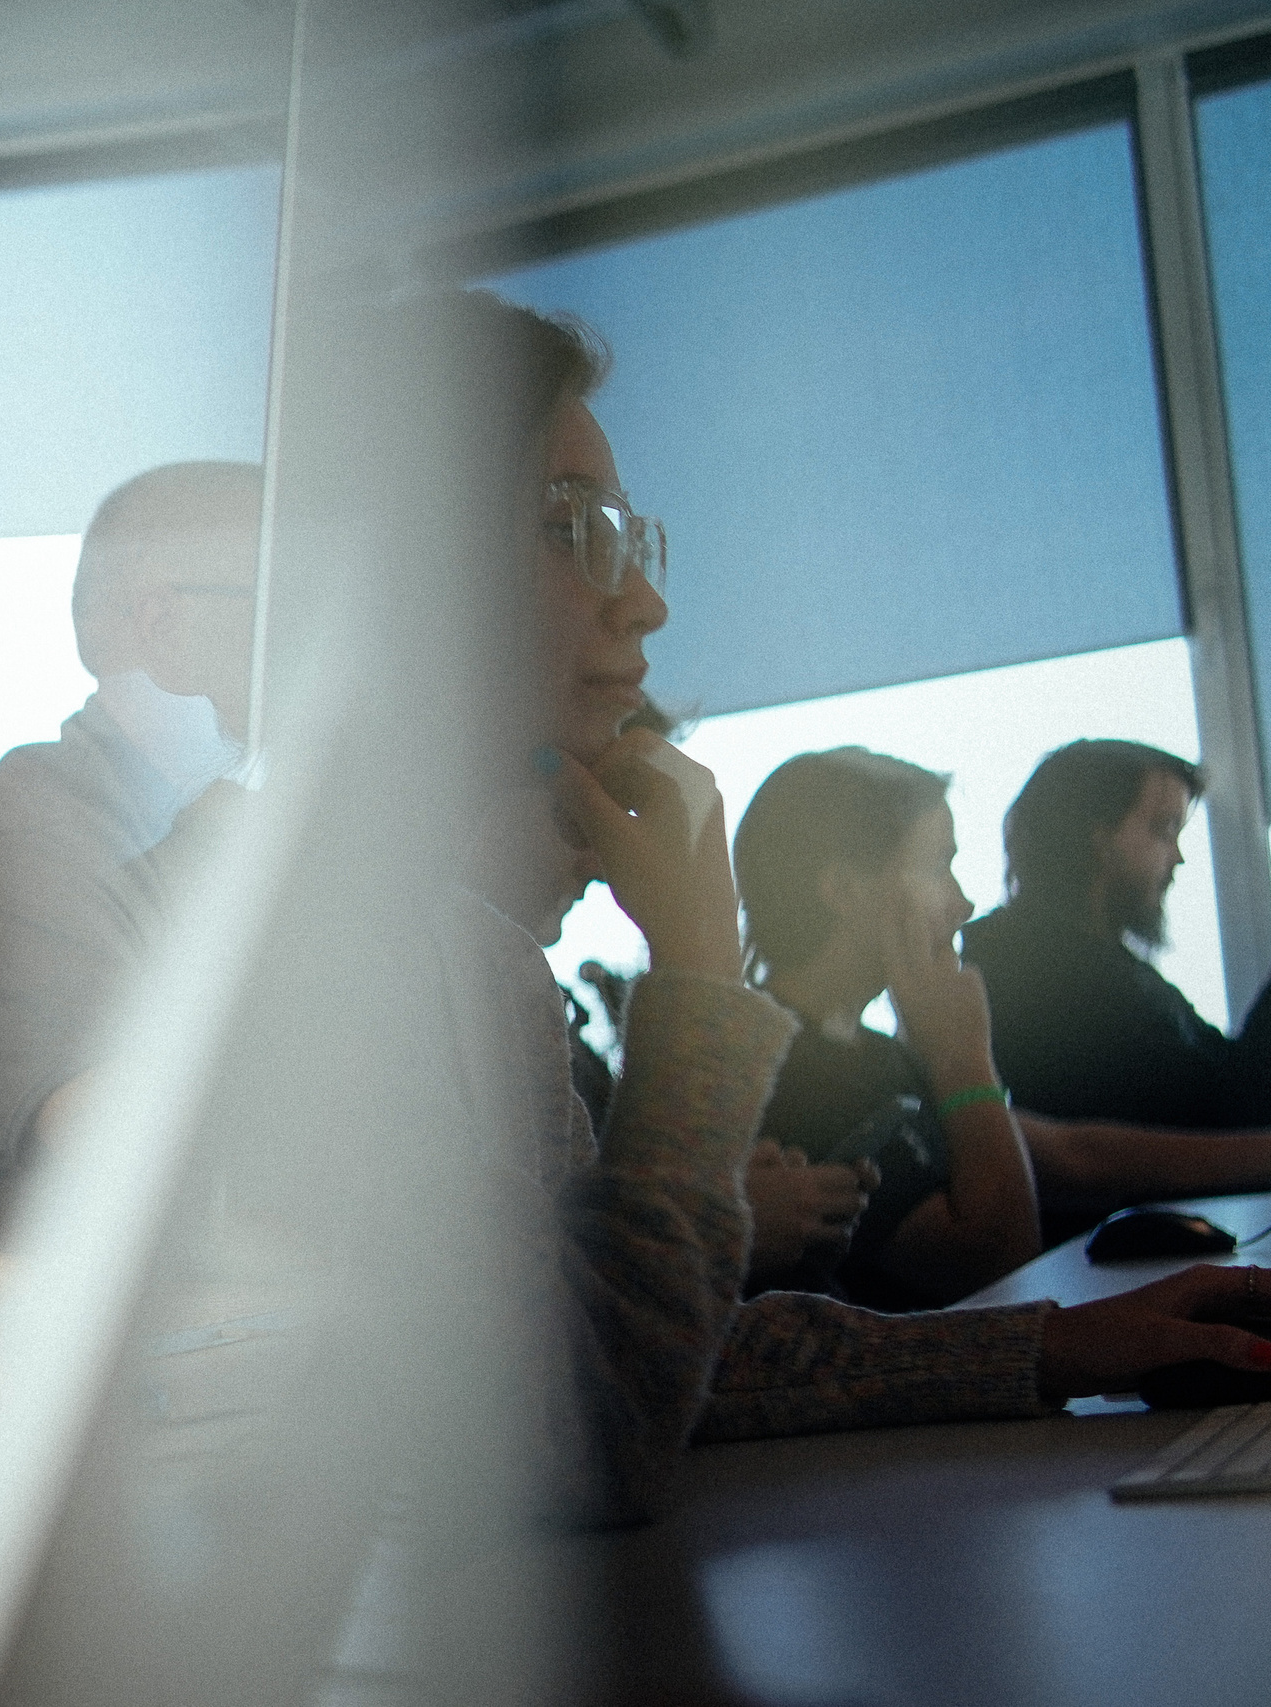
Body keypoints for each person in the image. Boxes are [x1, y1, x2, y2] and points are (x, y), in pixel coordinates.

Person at [425, 290, 1271, 1525]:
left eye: (625, 536)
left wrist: (1060, 1348)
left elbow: (665, 1348)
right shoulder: (324, 973)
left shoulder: (479, 964)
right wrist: (705, 975)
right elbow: (593, 1416)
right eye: (568, 529)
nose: (644, 602)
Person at [0, 461, 259, 1248]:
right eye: (274, 608)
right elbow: (163, 1184)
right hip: (14, 1355)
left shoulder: (176, 831)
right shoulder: (23, 852)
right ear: (160, 624)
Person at [465, 780, 875, 1293]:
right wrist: (701, 1218)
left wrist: (704, 1188)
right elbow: (584, 1316)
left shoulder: (538, 1028)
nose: (601, 866)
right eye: (571, 819)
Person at [731, 749, 1041, 1308]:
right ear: (846, 892)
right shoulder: (785, 1073)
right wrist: (964, 1060)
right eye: (937, 866)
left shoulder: (863, 1051)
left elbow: (1055, 1154)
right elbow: (996, 1266)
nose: (963, 904)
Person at [965, 739, 1271, 1131]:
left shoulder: (1104, 965)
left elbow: (1231, 1078)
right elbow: (1229, 1109)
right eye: (1163, 829)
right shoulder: (1048, 977)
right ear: (1096, 834)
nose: (1177, 856)